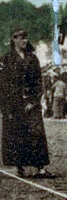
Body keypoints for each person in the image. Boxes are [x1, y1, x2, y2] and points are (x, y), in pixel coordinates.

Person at [0, 28, 53, 178]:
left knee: (36, 133)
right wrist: (6, 106)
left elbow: (38, 82)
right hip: (13, 103)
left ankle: (40, 167)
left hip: (31, 103)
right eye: (20, 38)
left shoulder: (32, 58)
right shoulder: (6, 59)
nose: (24, 41)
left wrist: (34, 100)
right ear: (13, 39)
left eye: (25, 38)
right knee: (16, 134)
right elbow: (3, 84)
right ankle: (19, 166)